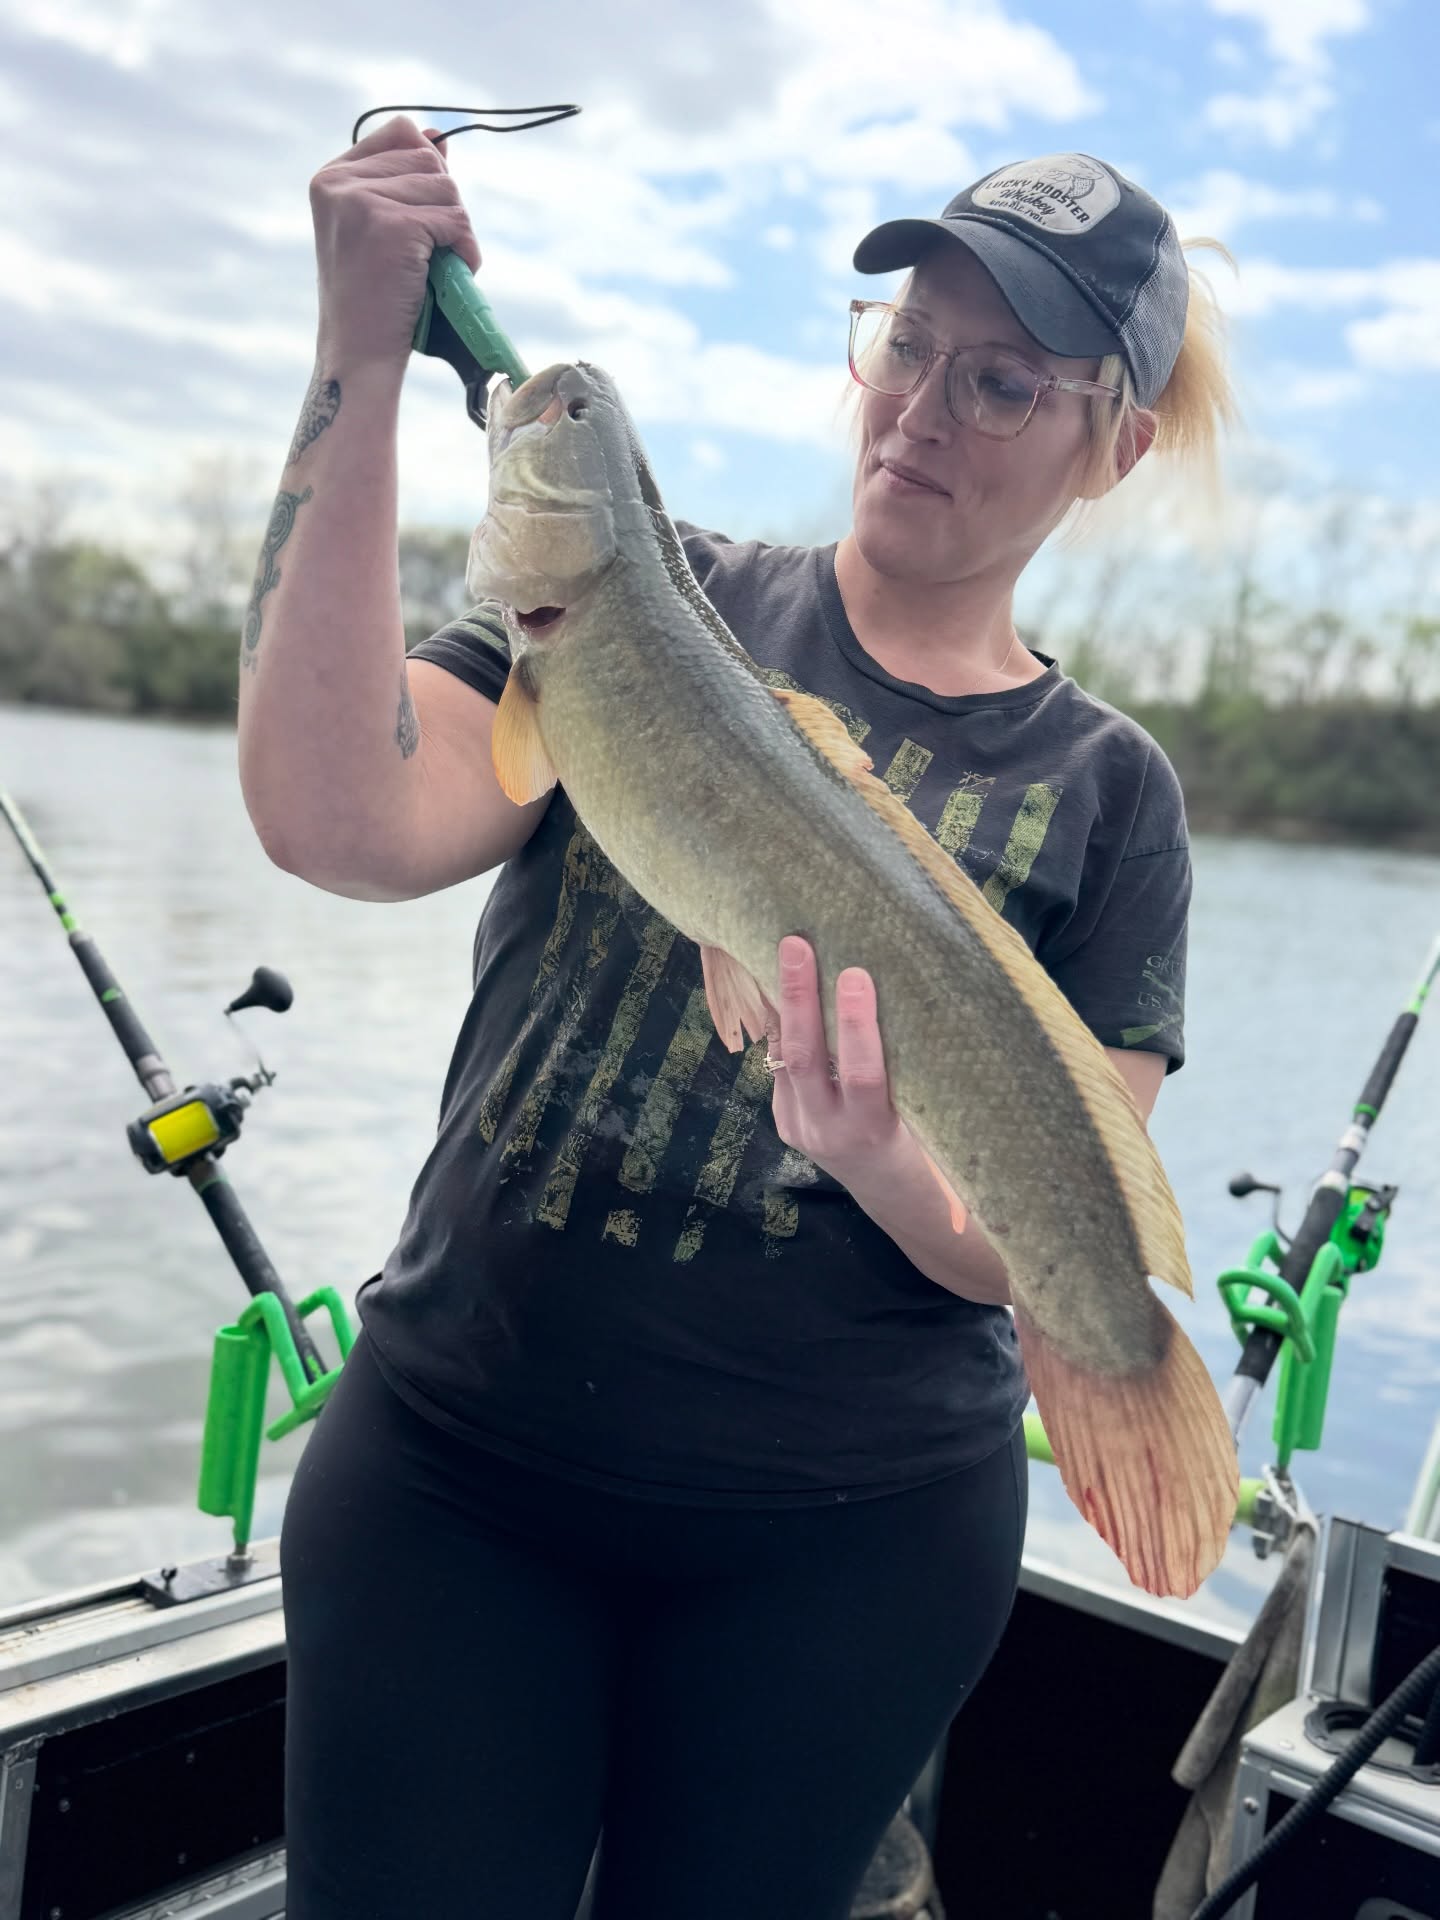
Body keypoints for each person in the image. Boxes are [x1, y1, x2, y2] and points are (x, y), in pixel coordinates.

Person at [244, 119, 1234, 1920]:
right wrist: (359, 360)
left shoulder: (1115, 798)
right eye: (906, 345)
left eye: (1003, 379)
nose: (924, 407)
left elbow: (1028, 1251)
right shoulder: (639, 609)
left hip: (844, 1551)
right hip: (457, 1471)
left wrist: (873, 1158)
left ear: (1119, 445)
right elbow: (332, 816)